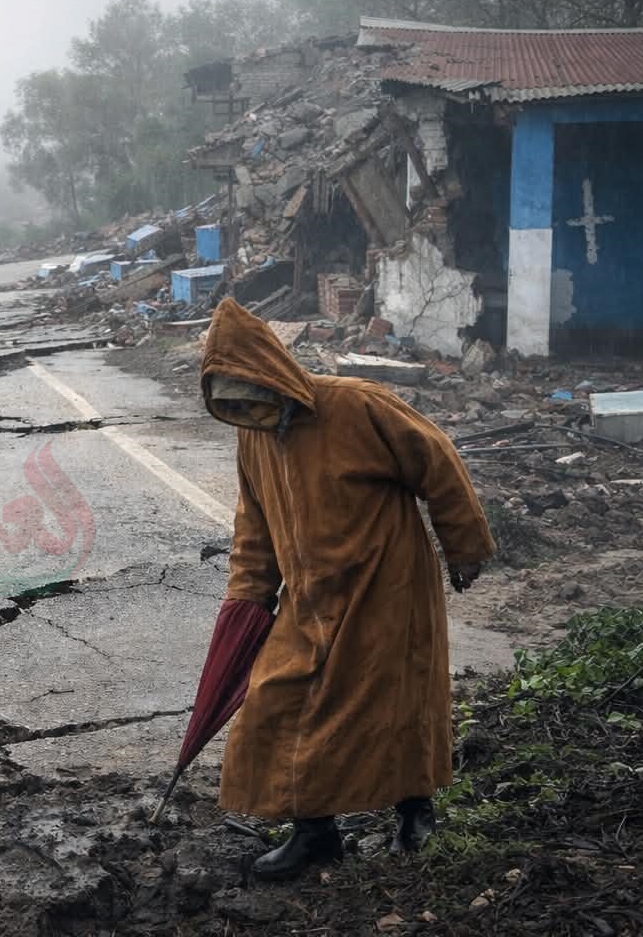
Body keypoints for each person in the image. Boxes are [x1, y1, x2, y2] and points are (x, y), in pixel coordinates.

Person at [201, 298, 494, 881]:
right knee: (277, 702)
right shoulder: (252, 435)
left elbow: (439, 464)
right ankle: (315, 834)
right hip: (307, 600)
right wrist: (248, 597)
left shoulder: (356, 404)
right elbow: (253, 526)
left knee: (397, 698)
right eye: (229, 398)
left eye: (249, 391)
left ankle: (415, 814)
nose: (246, 407)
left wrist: (464, 547)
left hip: (387, 585)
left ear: (273, 374)